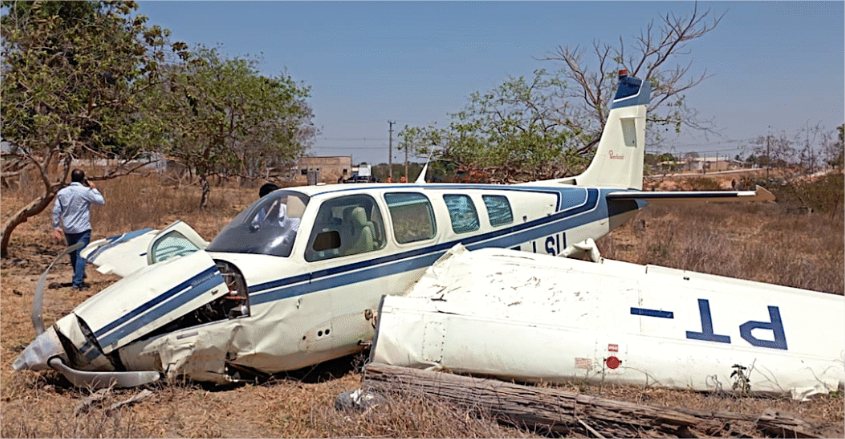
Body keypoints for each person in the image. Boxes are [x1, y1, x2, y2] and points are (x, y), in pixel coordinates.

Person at [51, 169, 105, 290]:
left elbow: (56, 210)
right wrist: (93, 188)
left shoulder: (62, 192)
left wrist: (56, 226)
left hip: (68, 228)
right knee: (81, 255)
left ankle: (78, 275)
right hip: (82, 228)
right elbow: (101, 201)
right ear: (83, 179)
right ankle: (77, 283)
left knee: (73, 255)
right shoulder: (86, 191)